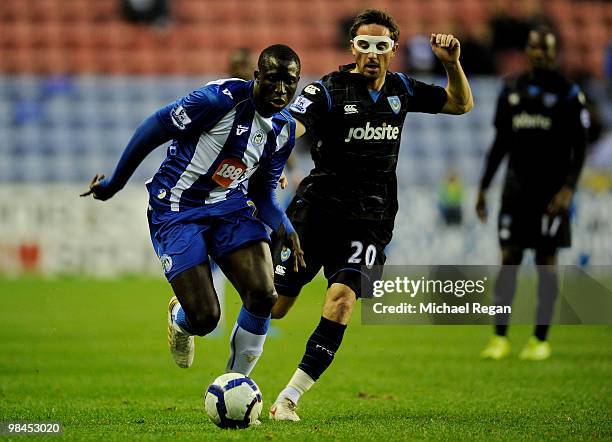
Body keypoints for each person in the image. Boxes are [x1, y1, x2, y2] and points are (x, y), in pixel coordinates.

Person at [268, 9, 473, 421]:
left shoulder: (402, 89)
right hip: (317, 212)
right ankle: (187, 311)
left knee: (342, 300)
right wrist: (273, 166)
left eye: (382, 46)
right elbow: (291, 127)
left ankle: (289, 397)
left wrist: (451, 63)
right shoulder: (329, 89)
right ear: (353, 49)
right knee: (275, 305)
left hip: (371, 219)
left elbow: (460, 104)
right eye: (364, 46)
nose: (373, 54)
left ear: (394, 50)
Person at [81, 45, 306, 378]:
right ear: (257, 76)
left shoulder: (284, 129)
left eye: (290, 82)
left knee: (263, 294)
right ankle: (181, 320)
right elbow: (153, 127)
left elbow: (261, 193)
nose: (281, 90)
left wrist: (284, 225)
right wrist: (115, 183)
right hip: (176, 207)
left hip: (229, 206)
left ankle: (236, 384)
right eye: (273, 79)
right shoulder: (216, 101)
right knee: (205, 318)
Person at [476, 28, 588, 361]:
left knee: (546, 264)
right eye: (535, 48)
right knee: (509, 260)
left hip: (551, 194)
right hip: (516, 190)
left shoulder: (569, 93)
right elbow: (500, 144)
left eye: (546, 49)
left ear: (555, 54)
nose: (540, 54)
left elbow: (580, 148)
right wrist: (483, 187)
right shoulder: (510, 88)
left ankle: (540, 339)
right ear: (527, 50)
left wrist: (569, 188)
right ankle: (500, 337)